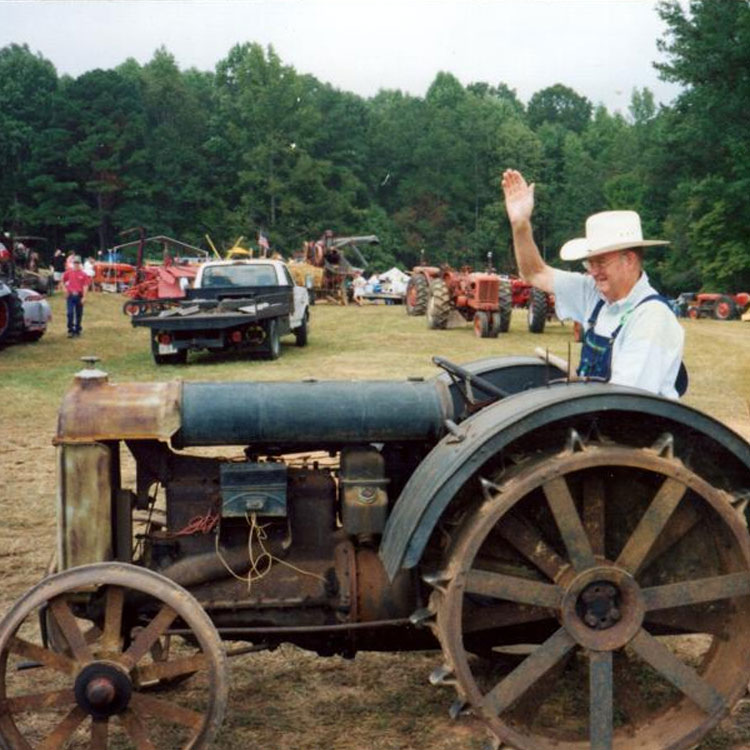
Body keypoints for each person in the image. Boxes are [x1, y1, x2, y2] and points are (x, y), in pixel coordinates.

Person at [501, 168, 686, 398]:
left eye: (601, 262)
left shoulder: (652, 318)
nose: (594, 272)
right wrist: (520, 225)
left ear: (628, 260)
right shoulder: (594, 293)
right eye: (590, 264)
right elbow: (534, 273)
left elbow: (625, 401)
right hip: (599, 416)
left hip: (633, 428)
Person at [61, 255, 90, 337]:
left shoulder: (83, 274)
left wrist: (84, 297)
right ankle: (70, 330)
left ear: (80, 263)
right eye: (75, 262)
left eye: (78, 262)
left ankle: (77, 330)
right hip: (70, 295)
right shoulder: (69, 272)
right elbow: (62, 280)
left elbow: (85, 286)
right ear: (73, 263)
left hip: (79, 295)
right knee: (70, 313)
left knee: (79, 314)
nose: (76, 264)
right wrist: (64, 290)